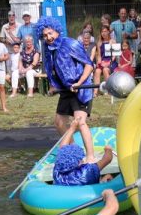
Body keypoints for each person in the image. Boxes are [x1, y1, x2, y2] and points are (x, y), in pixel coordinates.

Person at [36, 17, 96, 162]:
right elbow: (53, 69)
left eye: (50, 33)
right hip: (66, 89)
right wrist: (53, 86)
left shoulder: (70, 43)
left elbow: (89, 64)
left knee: (80, 121)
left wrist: (79, 83)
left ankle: (90, 157)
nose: (48, 37)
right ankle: (75, 151)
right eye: (45, 35)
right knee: (59, 123)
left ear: (57, 30)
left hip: (81, 88)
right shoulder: (47, 48)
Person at [53, 118, 113, 186]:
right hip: (89, 193)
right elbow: (107, 159)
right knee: (108, 176)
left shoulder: (57, 172)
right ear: (80, 163)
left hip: (69, 191)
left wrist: (72, 129)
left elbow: (62, 148)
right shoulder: (87, 171)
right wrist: (108, 149)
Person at [94, 25, 115, 97]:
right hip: (103, 62)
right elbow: (99, 56)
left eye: (105, 31)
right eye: (102, 31)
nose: (104, 33)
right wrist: (99, 62)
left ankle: (110, 90)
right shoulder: (99, 42)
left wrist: (108, 63)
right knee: (97, 71)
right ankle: (95, 92)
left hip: (111, 62)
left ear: (108, 32)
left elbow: (114, 56)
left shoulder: (112, 41)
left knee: (105, 70)